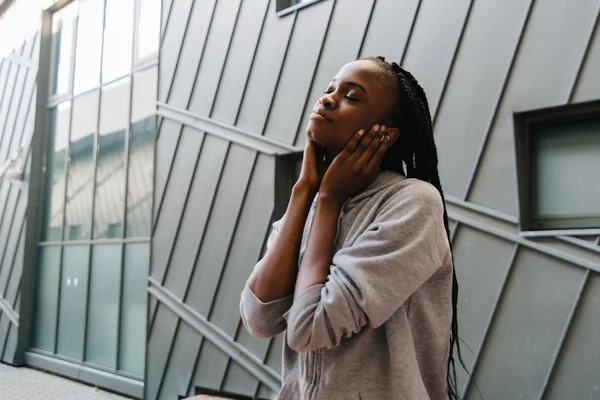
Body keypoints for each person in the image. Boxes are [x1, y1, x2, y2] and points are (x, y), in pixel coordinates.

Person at [240, 56, 461, 400]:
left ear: (384, 135)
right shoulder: (311, 203)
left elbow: (307, 329)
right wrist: (304, 192)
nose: (327, 99)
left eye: (352, 96)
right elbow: (259, 318)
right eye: (329, 89)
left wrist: (329, 200)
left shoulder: (413, 204)